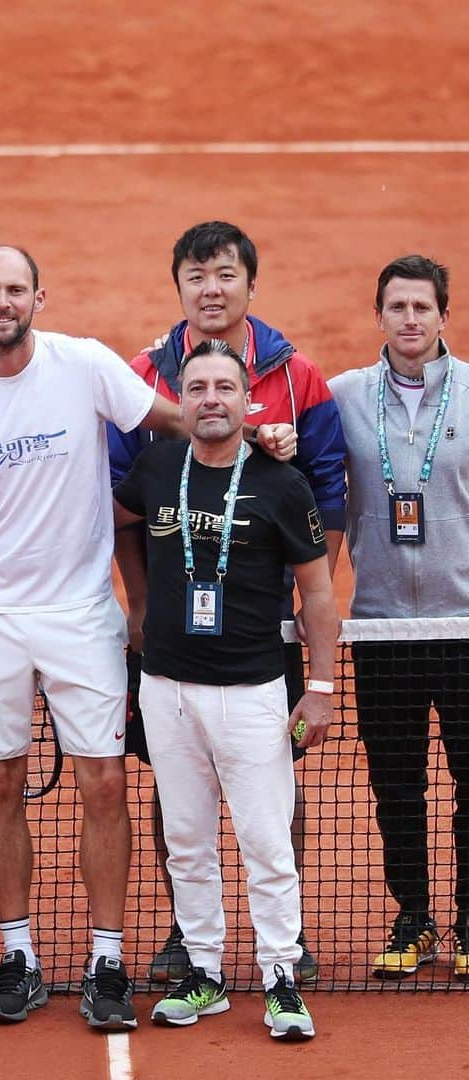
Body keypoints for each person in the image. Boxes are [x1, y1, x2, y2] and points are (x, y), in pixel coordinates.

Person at [0, 245, 296, 1029]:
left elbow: (179, 416)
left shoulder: (83, 366)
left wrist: (252, 430)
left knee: (105, 783)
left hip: (82, 612)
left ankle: (106, 958)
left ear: (39, 298)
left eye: (16, 289)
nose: (2, 301)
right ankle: (19, 956)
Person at [107, 220, 346, 984]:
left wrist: (301, 609)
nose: (211, 289)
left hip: (262, 622)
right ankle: (188, 934)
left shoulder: (297, 374)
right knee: (177, 790)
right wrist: (140, 604)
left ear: (250, 284)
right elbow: (122, 499)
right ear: (177, 286)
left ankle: (288, 937)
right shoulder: (143, 375)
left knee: (274, 792)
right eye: (196, 275)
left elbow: (328, 497)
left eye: (225, 274)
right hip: (173, 634)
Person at [329, 255, 469, 981]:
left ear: (443, 314)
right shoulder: (345, 396)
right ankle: (412, 917)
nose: (410, 319)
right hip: (381, 627)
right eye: (397, 307)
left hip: (464, 628)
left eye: (422, 307)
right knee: (397, 785)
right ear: (377, 316)